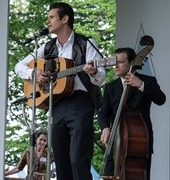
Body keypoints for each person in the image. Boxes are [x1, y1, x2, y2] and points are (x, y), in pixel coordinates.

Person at [15, 2, 105, 180]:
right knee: (61, 162)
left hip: (80, 103)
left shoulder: (85, 43)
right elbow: (19, 66)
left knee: (78, 158)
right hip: (55, 103)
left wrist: (93, 71)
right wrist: (34, 73)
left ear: (65, 19)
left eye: (51, 17)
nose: (47, 21)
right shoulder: (47, 47)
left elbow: (101, 77)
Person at [98, 47, 166, 180]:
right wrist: (105, 128)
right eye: (114, 62)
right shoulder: (110, 87)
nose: (116, 65)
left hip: (138, 144)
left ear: (131, 63)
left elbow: (161, 99)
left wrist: (140, 84)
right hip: (114, 145)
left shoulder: (148, 80)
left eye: (120, 62)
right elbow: (103, 113)